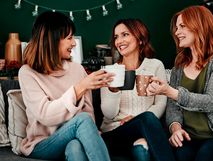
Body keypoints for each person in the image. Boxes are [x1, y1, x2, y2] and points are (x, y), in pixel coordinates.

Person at [18, 11, 113, 161]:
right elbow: (45, 116)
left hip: (73, 138)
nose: (74, 43)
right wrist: (79, 88)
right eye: (69, 38)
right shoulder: (27, 73)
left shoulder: (77, 70)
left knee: (75, 147)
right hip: (42, 144)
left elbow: (89, 113)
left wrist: (92, 133)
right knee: (82, 119)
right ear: (52, 40)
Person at [147, 5, 213, 161]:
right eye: (176, 28)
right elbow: (173, 107)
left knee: (206, 154)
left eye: (182, 26)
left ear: (199, 26)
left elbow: (211, 101)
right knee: (180, 155)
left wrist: (170, 92)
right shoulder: (179, 66)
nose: (177, 32)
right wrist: (175, 129)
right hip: (189, 138)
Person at [100, 18, 175, 161]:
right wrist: (113, 90)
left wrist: (137, 119)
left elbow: (160, 103)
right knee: (146, 120)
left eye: (125, 34)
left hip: (144, 131)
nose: (119, 41)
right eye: (116, 37)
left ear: (140, 39)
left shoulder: (155, 66)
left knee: (142, 149)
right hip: (115, 132)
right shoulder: (111, 71)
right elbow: (109, 114)